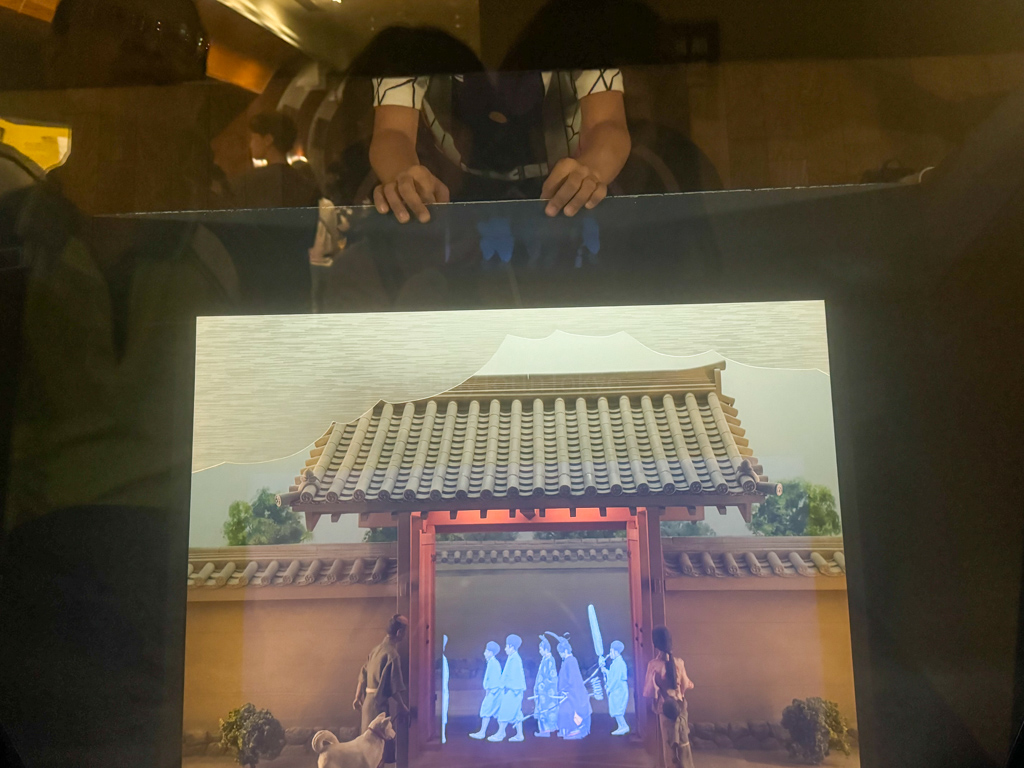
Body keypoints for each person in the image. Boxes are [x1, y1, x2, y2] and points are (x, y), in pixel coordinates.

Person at [364, 25, 630, 224]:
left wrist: (593, 170)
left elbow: (607, 125)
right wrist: (403, 175)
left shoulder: (576, 29)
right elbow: (392, 132)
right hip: (459, 192)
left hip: (564, 189)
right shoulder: (413, 48)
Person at [353, 614, 410, 768]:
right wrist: (403, 706)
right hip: (378, 706)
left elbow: (363, 673)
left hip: (367, 704)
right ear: (399, 633)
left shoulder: (375, 650)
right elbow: (394, 687)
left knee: (366, 747)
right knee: (378, 748)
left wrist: (358, 696)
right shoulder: (392, 654)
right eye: (405, 632)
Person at [233, 112, 319, 209]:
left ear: (268, 140)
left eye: (253, 138)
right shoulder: (307, 186)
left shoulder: (247, 183)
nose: (251, 145)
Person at [643, 625, 695, 768]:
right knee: (684, 742)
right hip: (680, 706)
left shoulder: (653, 665)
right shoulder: (679, 662)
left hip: (665, 708)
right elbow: (687, 684)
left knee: (669, 746)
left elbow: (649, 691)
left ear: (656, 644)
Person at [551, 632, 592, 739]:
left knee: (569, 711)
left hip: (573, 693)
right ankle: (567, 729)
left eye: (561, 652)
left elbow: (573, 679)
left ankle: (576, 729)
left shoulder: (571, 661)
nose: (560, 655)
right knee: (563, 711)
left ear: (565, 651)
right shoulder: (566, 661)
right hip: (566, 693)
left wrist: (567, 690)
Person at [489, 633, 526, 742]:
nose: (505, 649)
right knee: (517, 714)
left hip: (513, 690)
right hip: (515, 690)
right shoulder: (513, 658)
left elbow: (511, 677)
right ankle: (519, 735)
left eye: (506, 646)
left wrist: (503, 686)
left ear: (511, 647)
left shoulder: (514, 659)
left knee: (504, 712)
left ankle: (500, 733)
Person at [469, 640, 502, 739]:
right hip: (493, 691)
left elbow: (493, 679)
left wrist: (489, 690)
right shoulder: (492, 663)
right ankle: (487, 732)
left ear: (491, 653)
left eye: (486, 651)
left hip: (493, 691)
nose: (484, 653)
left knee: (486, 711)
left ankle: (483, 732)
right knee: (491, 712)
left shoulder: (493, 664)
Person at [533, 634, 559, 737]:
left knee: (547, 711)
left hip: (547, 692)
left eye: (540, 649)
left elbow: (552, 677)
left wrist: (543, 686)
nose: (539, 651)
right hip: (542, 692)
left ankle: (546, 731)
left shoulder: (550, 660)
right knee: (542, 711)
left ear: (545, 649)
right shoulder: (545, 659)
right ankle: (544, 731)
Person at [605, 639, 630, 735]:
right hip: (616, 689)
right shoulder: (615, 663)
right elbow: (612, 675)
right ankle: (620, 726)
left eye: (611, 651)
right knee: (615, 709)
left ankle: (624, 726)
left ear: (616, 652)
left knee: (618, 710)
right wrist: (605, 671)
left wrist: (609, 688)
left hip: (619, 689)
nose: (610, 654)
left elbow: (615, 678)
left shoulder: (619, 663)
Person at [660, 698, 693, 768]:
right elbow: (684, 708)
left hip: (680, 750)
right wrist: (683, 698)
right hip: (687, 745)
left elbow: (675, 742)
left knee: (682, 765)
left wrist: (675, 756)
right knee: (689, 764)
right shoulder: (683, 717)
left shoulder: (673, 726)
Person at [441, 634, 450, 744]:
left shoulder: (444, 659)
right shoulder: (443, 660)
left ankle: (443, 734)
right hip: (442, 692)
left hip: (444, 692)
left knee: (444, 715)